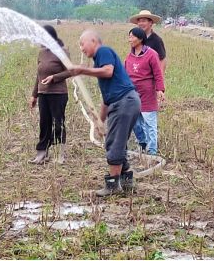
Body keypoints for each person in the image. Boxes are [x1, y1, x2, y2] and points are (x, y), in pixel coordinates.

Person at [70, 30, 141, 197]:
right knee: (116, 141)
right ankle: (126, 180)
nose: (81, 48)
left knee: (115, 143)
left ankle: (113, 185)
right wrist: (99, 122)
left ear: (93, 40)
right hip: (125, 102)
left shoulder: (103, 51)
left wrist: (81, 70)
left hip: (125, 102)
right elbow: (106, 100)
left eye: (82, 43)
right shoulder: (98, 62)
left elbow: (108, 71)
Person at [29, 25, 71, 164]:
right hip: (43, 94)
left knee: (58, 123)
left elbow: (70, 71)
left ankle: (60, 153)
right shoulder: (41, 53)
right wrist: (34, 94)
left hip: (58, 93)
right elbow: (38, 74)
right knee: (44, 123)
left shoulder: (62, 51)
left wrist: (54, 77)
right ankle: (42, 153)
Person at [124, 27, 165, 155]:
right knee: (135, 122)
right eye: (129, 36)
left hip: (147, 93)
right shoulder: (129, 56)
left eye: (132, 37)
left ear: (140, 38)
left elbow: (158, 73)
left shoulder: (151, 54)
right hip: (133, 94)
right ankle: (142, 143)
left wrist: (160, 90)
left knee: (149, 122)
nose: (129, 39)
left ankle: (152, 151)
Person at [129, 10, 167, 75]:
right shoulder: (135, 39)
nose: (141, 23)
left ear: (150, 23)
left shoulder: (156, 40)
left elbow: (162, 60)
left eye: (143, 21)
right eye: (139, 21)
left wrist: (160, 78)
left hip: (150, 78)